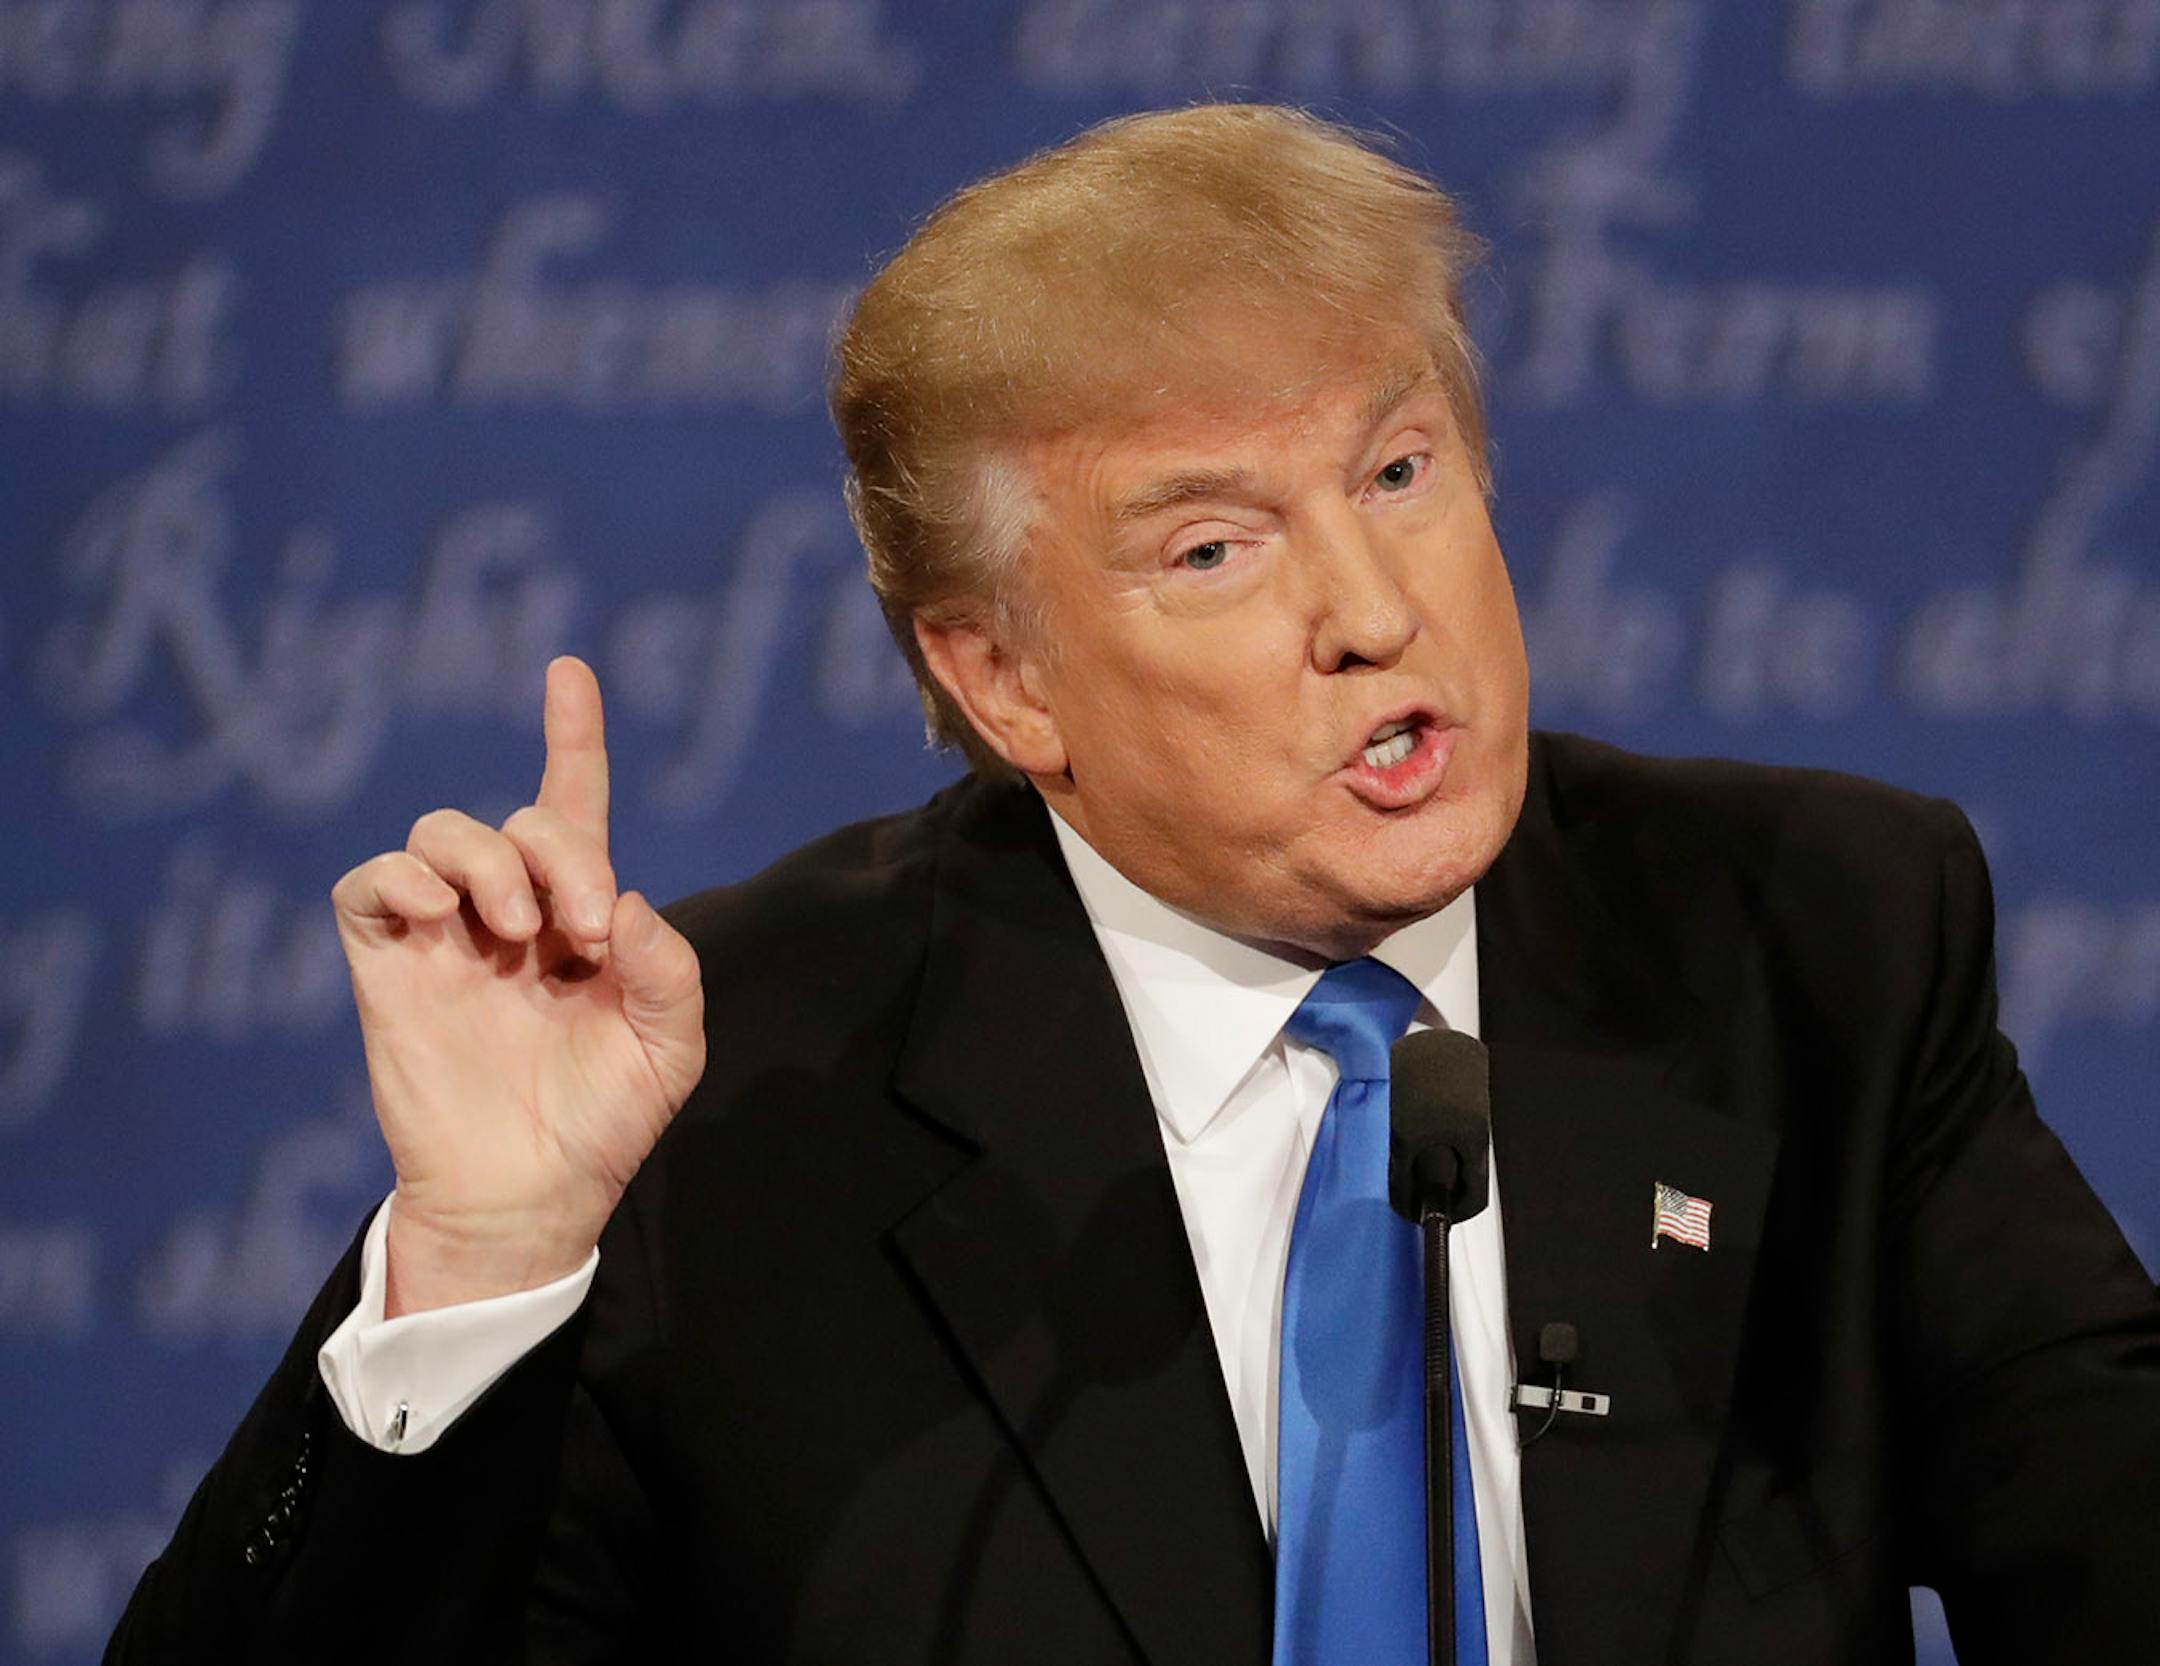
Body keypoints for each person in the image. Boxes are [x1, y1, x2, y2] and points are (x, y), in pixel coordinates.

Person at [107, 105, 2159, 1666]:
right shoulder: (721, 1093)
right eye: (1213, 547)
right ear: (1001, 676)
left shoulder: (1820, 940)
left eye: (1396, 470)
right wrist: (483, 1260)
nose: (1373, 609)